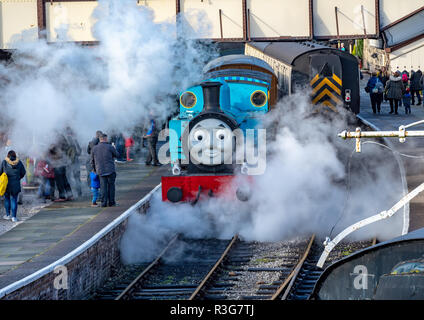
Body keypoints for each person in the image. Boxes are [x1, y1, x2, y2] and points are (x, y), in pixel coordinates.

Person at [91, 133, 119, 207]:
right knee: (111, 187)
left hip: (100, 170)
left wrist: (94, 170)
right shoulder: (110, 147)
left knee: (103, 187)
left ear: (100, 139)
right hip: (110, 170)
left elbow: (92, 161)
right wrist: (114, 148)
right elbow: (117, 155)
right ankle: (111, 202)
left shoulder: (94, 148)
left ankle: (103, 203)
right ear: (105, 139)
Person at [0, 150, 26, 222]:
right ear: (15, 155)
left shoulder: (4, 162)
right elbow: (23, 172)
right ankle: (14, 217)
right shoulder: (19, 162)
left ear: (8, 155)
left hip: (6, 184)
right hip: (16, 183)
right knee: (14, 199)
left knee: (7, 199)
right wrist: (18, 178)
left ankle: (8, 215)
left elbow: (0, 172)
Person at [65, 127, 82, 197]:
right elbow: (79, 151)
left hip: (67, 162)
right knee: (77, 178)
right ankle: (79, 192)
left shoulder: (65, 140)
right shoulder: (75, 140)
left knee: (68, 178)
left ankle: (69, 193)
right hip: (75, 161)